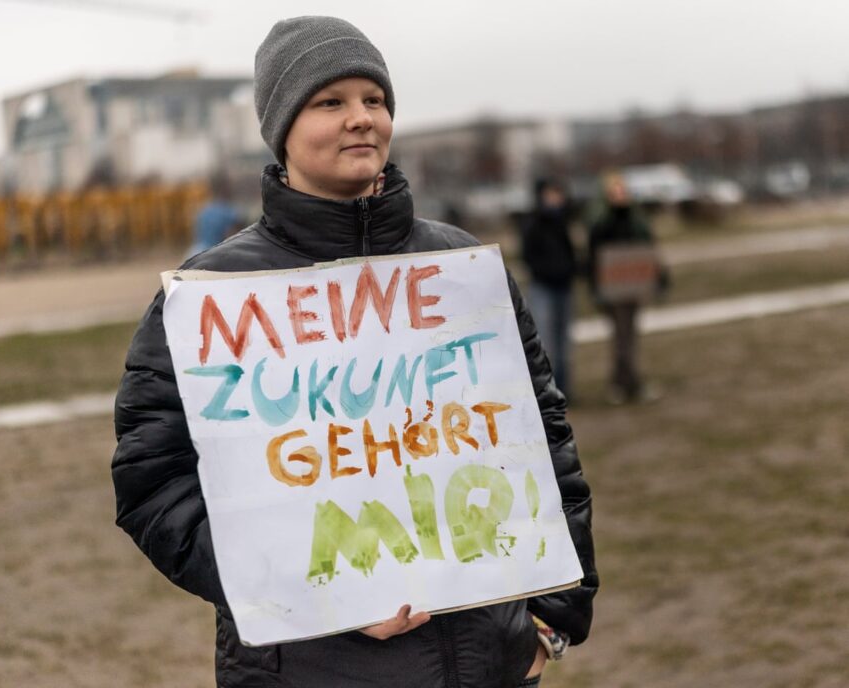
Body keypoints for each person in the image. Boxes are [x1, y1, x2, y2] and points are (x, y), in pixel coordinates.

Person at [112, 16, 597, 688]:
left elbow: (544, 434)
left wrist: (551, 618)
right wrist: (314, 595)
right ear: (282, 128)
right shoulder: (212, 296)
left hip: (491, 662)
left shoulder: (459, 267)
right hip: (309, 669)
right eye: (329, 102)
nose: (361, 118)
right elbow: (153, 483)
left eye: (374, 99)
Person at [587, 172, 666, 403]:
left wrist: (658, 277)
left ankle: (625, 381)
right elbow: (594, 256)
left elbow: (648, 248)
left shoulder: (636, 220)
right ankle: (624, 383)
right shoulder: (602, 222)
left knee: (629, 335)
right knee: (622, 335)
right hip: (613, 289)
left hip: (633, 285)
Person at [521, 178, 577, 399]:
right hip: (543, 288)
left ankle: (564, 388)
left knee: (564, 342)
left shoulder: (563, 221)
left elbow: (569, 251)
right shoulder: (533, 223)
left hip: (564, 287)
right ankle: (547, 391)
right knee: (546, 342)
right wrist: (547, 271)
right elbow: (528, 255)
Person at [185, 173, 244, 259]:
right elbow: (233, 238)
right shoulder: (230, 212)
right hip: (216, 255)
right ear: (226, 189)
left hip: (195, 253)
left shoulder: (203, 210)